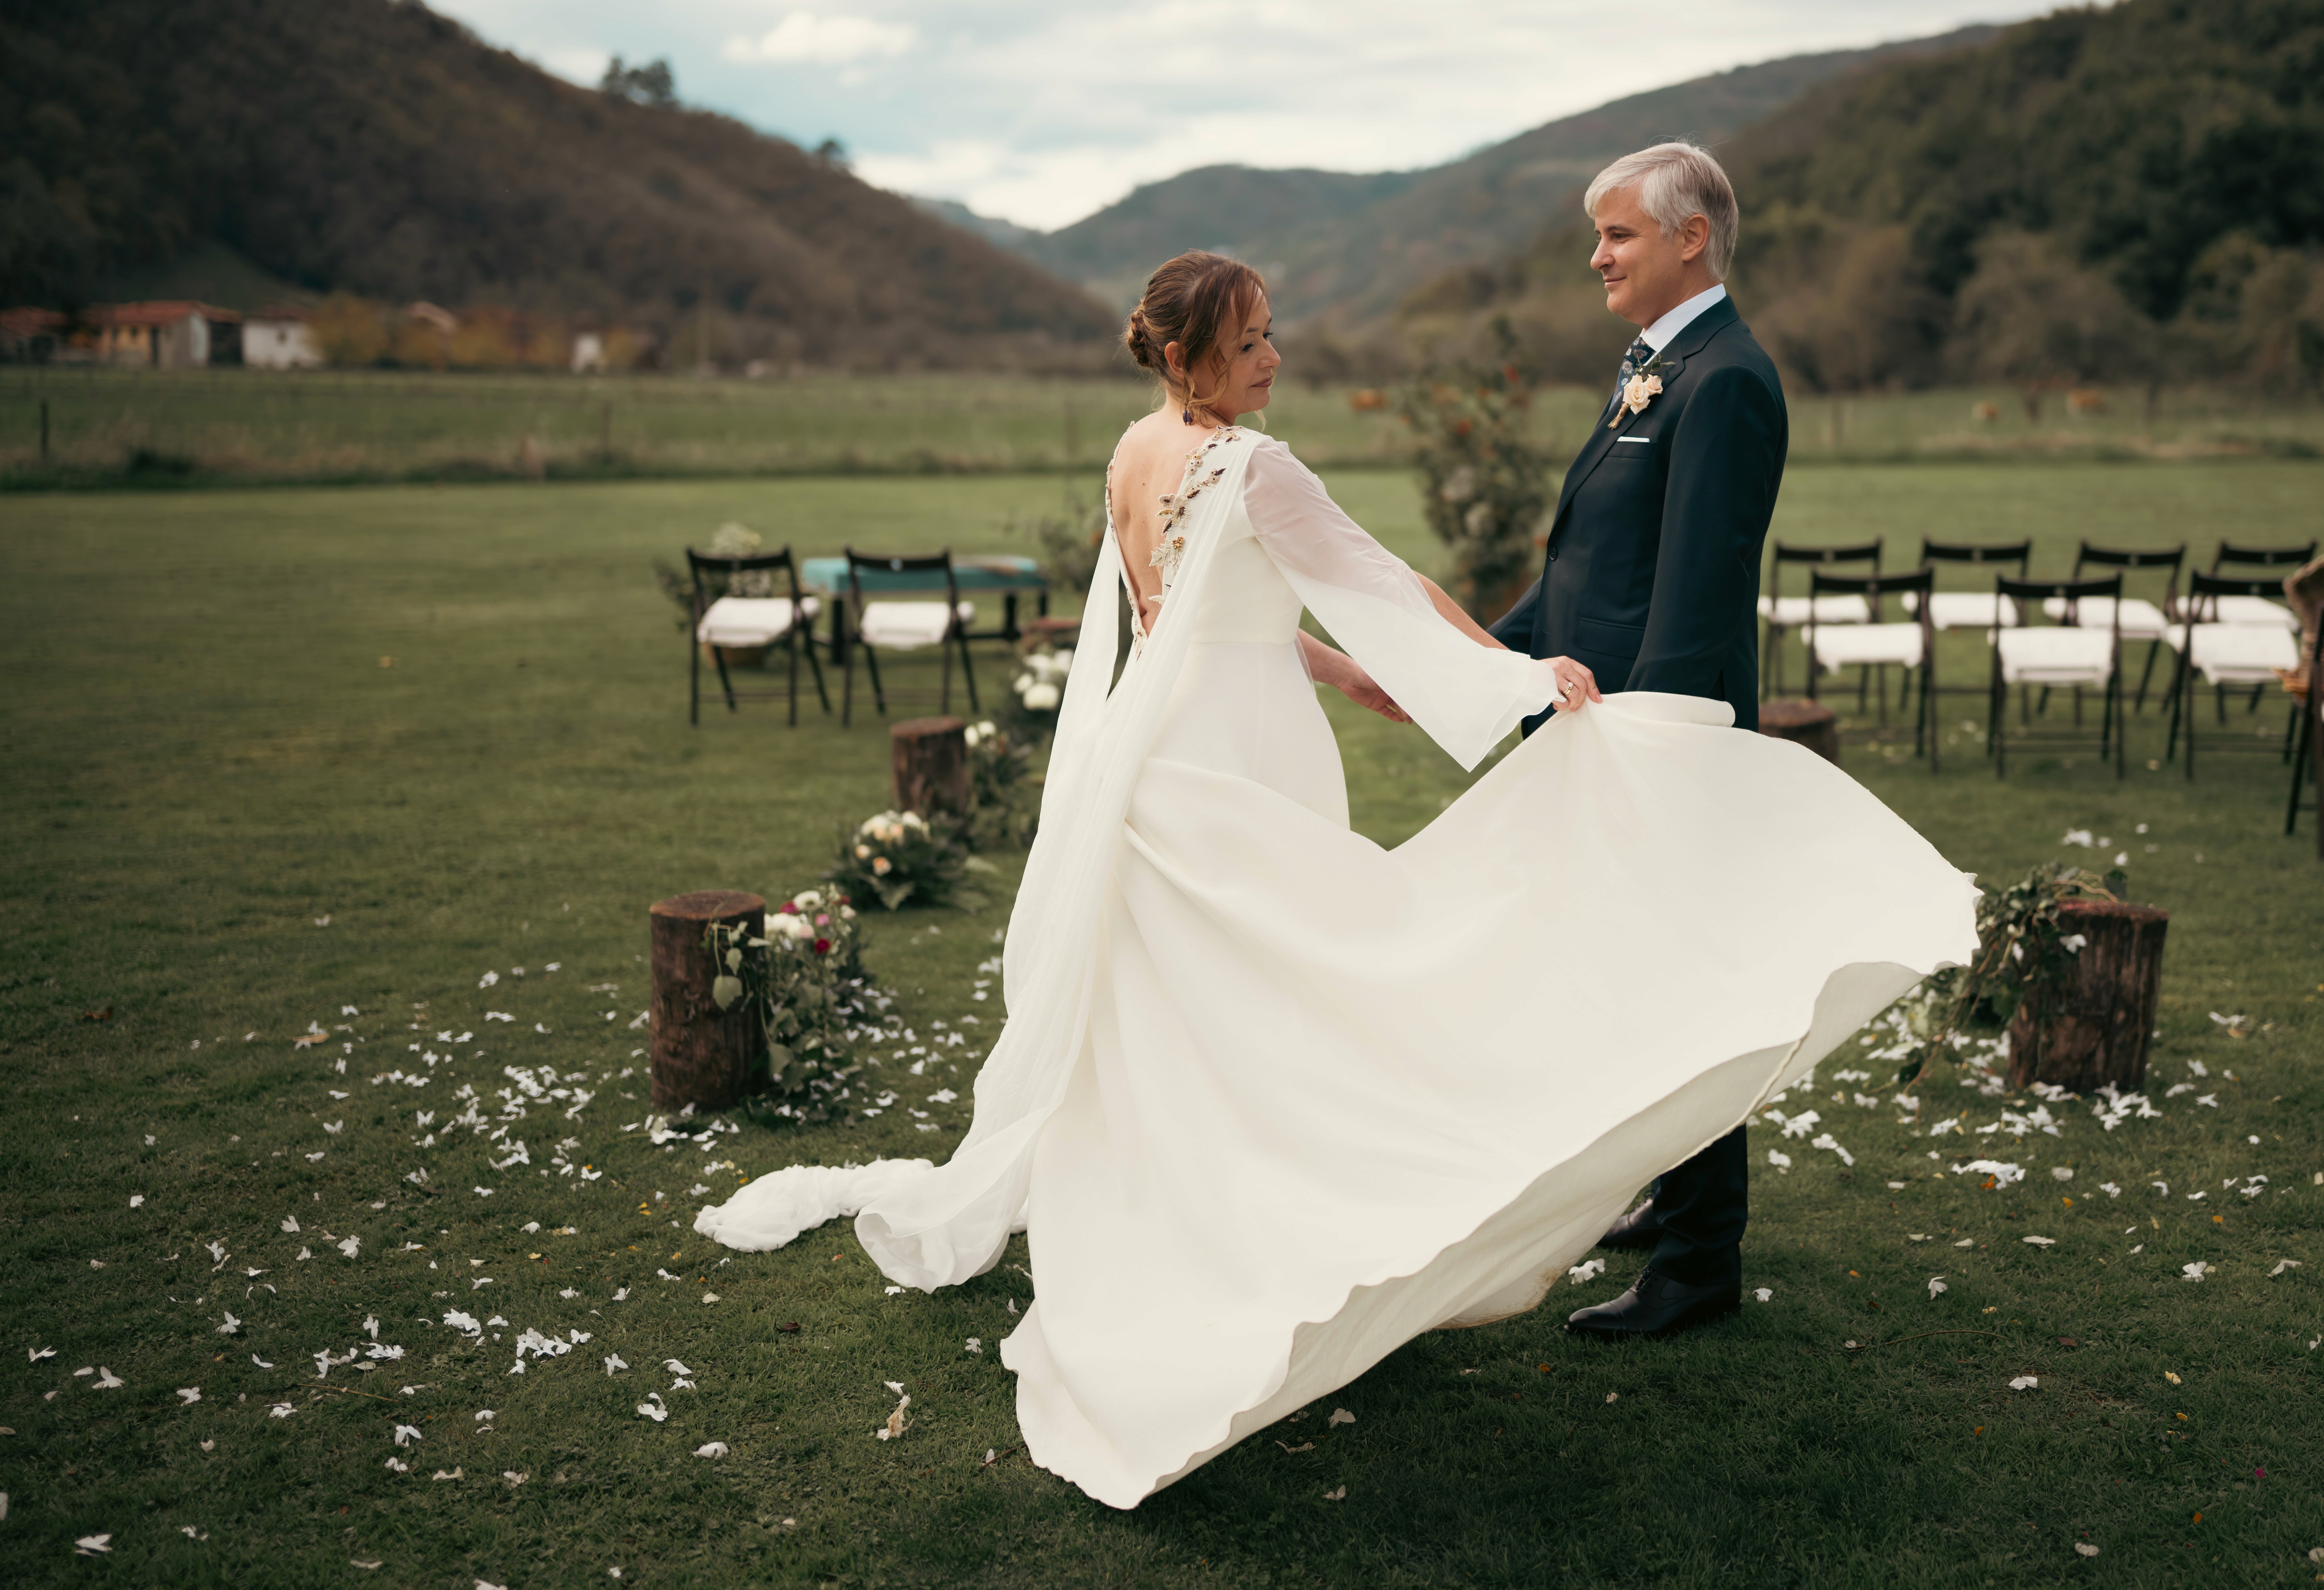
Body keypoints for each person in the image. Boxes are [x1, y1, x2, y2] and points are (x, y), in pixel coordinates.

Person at [695, 246, 1976, 1511]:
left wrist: (1338, 671)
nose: (1275, 357)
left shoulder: (1134, 454)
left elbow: (1186, 619)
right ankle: (1289, 1241)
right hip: (1243, 771)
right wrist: (1518, 674)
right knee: (1301, 997)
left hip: (1156, 768)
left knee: (1186, 1026)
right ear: (1192, 356)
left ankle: (1198, 1233)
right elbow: (1384, 581)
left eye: (1270, 334)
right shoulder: (1253, 463)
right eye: (1251, 340)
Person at [1490, 142, 1785, 1341]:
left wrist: (1647, 750)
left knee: (1680, 993)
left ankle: (1700, 1262)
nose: (1596, 255)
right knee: (1630, 981)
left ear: (1689, 238)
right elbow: (1588, 570)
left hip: (1662, 739)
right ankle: (1668, 1196)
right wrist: (1483, 663)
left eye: (1616, 233)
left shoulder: (1725, 381)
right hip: (1597, 722)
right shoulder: (1650, 368)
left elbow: (1693, 596)